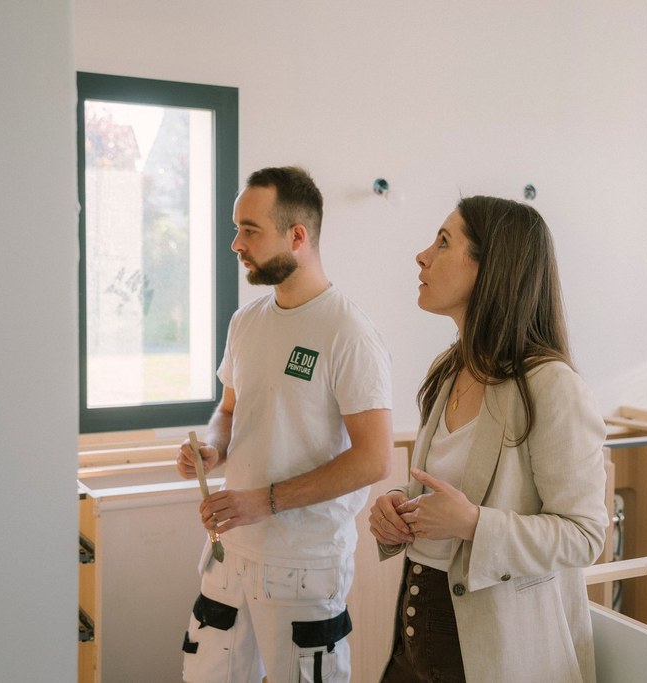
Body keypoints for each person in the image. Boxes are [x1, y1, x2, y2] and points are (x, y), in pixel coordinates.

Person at [368, 196, 608, 682]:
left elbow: (585, 535)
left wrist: (475, 523)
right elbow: (444, 497)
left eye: (443, 242)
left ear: (490, 268)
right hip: (416, 622)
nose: (422, 256)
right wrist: (397, 509)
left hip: (493, 645)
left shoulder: (551, 387)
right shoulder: (449, 370)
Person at [176, 165, 394, 683]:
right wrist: (213, 449)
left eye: (250, 230)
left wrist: (264, 500)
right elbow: (229, 412)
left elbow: (374, 458)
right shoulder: (245, 322)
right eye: (237, 228)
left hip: (303, 564)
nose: (236, 243)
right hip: (228, 554)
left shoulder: (349, 333)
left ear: (297, 236)